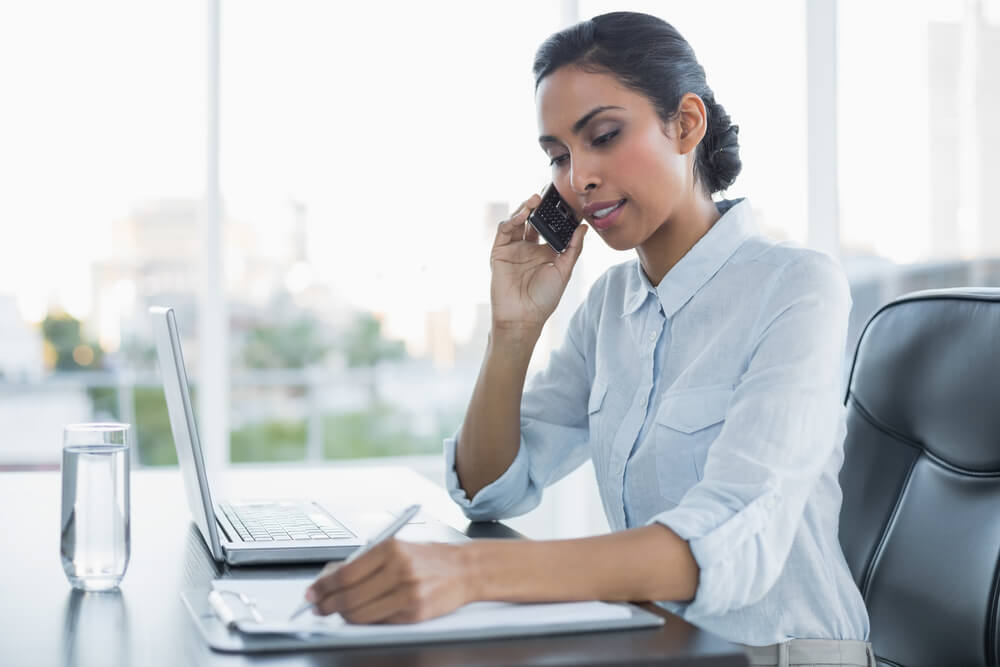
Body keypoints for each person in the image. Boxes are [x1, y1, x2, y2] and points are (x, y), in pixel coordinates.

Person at [305, 11, 872, 664]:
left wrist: (469, 575)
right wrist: (512, 331)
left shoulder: (798, 287)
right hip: (661, 647)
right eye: (558, 156)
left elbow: (728, 538)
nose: (578, 178)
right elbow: (493, 488)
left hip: (779, 651)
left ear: (686, 124)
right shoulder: (610, 306)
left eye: (603, 136)